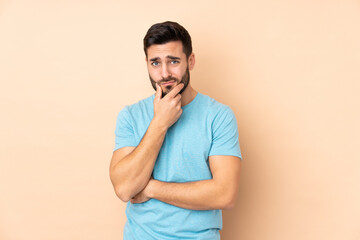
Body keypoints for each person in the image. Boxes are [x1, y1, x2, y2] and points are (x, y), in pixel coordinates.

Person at [109, 21, 242, 240]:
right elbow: (124, 189)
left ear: (190, 61)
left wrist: (150, 188)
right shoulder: (130, 115)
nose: (164, 73)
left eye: (173, 61)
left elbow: (225, 194)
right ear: (146, 64)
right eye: (155, 63)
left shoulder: (219, 116)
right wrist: (160, 123)